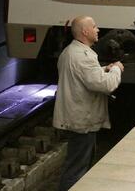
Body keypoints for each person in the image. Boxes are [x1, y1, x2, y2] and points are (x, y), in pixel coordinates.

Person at [53, 16, 124, 191]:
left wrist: (103, 69)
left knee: (77, 165)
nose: (98, 29)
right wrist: (116, 69)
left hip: (79, 118)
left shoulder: (70, 52)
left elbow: (84, 76)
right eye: (94, 26)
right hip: (82, 120)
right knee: (76, 170)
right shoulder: (83, 56)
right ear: (85, 32)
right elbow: (107, 85)